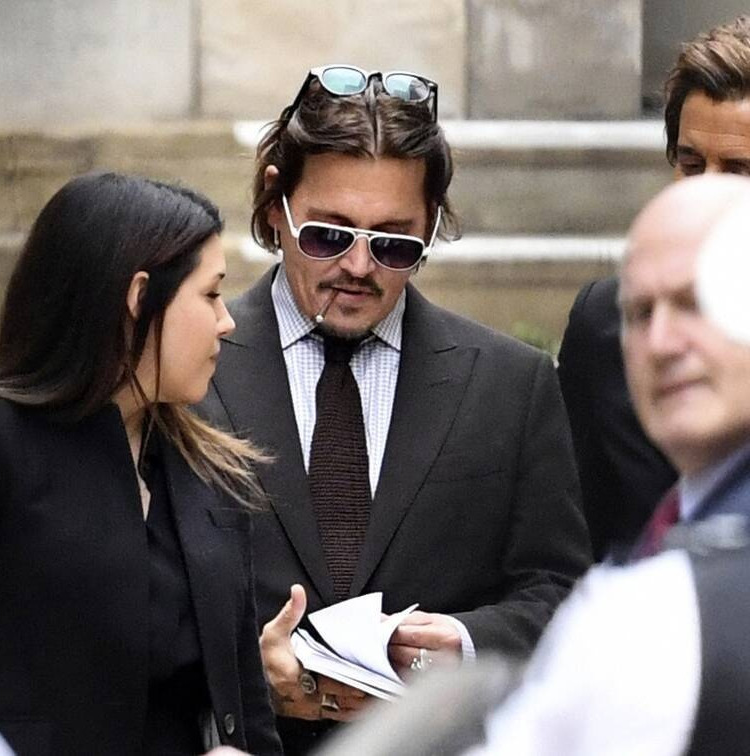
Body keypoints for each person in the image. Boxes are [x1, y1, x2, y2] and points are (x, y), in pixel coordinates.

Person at [199, 64, 591, 753]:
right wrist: (241, 671)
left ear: (431, 226)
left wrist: (466, 641)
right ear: (275, 207)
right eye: (328, 235)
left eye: (393, 243)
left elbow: (563, 594)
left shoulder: (510, 384)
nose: (358, 266)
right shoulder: (188, 372)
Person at [0, 173, 281, 755]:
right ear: (139, 297)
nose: (227, 321)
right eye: (210, 294)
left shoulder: (211, 469)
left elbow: (244, 708)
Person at [471, 173, 750, 755]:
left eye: (697, 302)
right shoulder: (644, 586)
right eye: (639, 313)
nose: (662, 342)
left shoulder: (645, 616)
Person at [558, 15, 750, 560]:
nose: (707, 190)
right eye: (691, 164)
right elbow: (574, 546)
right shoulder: (609, 325)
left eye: (739, 170)